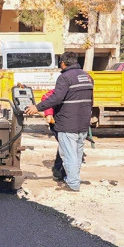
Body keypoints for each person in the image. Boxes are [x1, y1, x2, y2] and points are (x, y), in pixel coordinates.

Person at [25, 52, 94, 191]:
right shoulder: (87, 77)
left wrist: (36, 107)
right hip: (83, 123)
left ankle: (73, 185)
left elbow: (56, 98)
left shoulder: (65, 77)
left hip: (68, 124)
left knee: (68, 155)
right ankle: (73, 180)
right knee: (77, 153)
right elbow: (90, 100)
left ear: (63, 63)